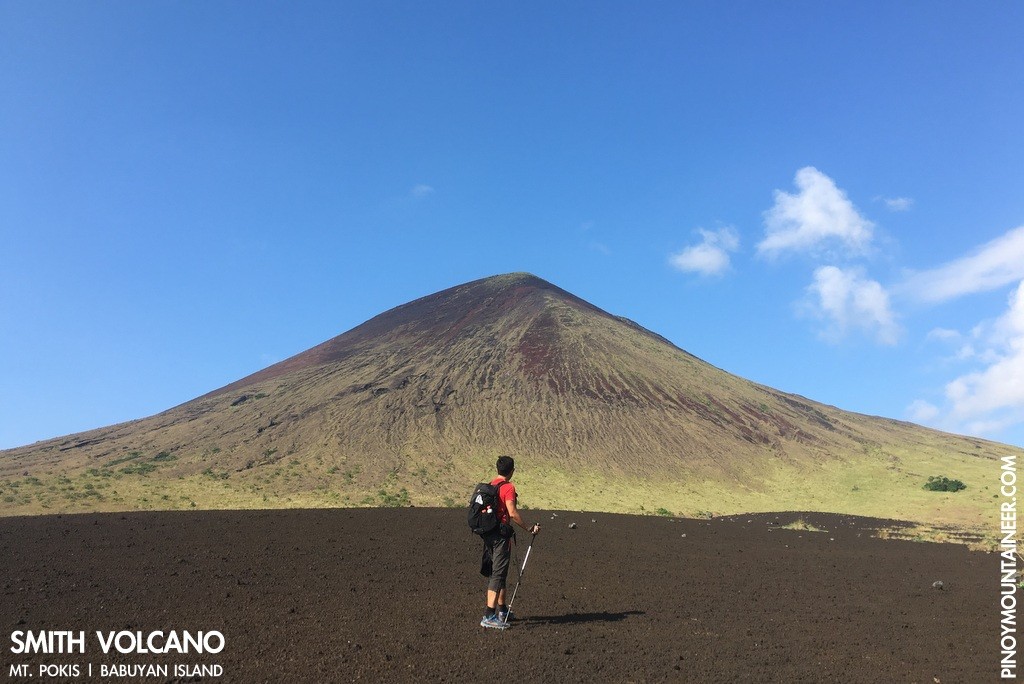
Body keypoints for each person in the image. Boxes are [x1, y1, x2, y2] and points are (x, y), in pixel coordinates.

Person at [480, 455, 540, 630]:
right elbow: (512, 513)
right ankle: (489, 615)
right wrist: (528, 528)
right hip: (500, 536)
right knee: (497, 574)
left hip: (489, 535)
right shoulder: (508, 488)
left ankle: (502, 610)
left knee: (499, 572)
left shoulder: (490, 486)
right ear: (512, 471)